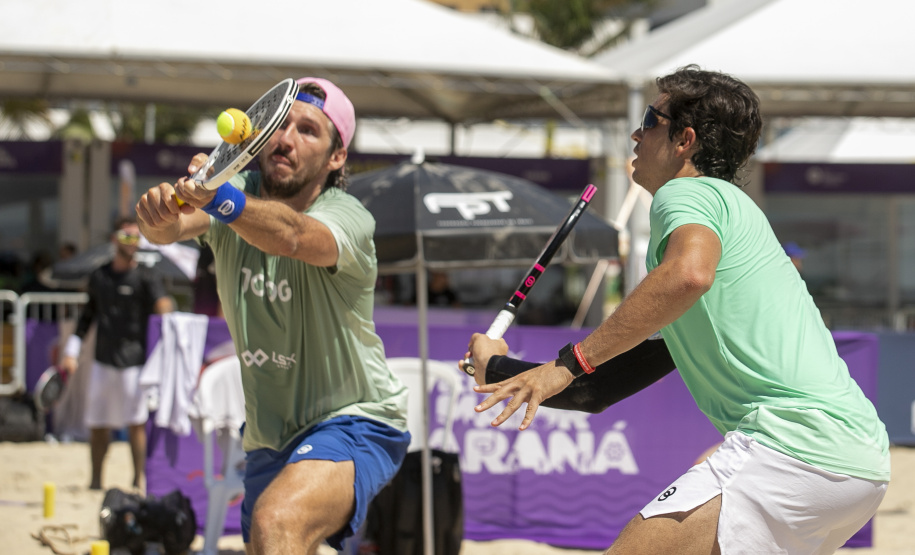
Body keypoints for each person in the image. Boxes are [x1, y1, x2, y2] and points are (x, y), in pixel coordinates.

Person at [464, 65, 890, 554]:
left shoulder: (686, 193)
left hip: (796, 447)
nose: (636, 133)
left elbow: (689, 274)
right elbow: (598, 389)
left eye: (650, 120)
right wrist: (499, 369)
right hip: (858, 465)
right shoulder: (732, 215)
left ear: (685, 141)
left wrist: (565, 364)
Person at [135, 77, 410, 555]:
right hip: (268, 435)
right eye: (280, 124)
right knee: (274, 539)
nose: (286, 138)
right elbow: (174, 227)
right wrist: (156, 217)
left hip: (356, 419)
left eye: (308, 130)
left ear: (336, 157)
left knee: (277, 519)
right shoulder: (234, 192)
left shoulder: (349, 216)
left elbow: (294, 237)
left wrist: (218, 198)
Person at [60, 217, 174, 491]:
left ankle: (137, 480)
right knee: (97, 423)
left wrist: (166, 307)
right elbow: (88, 316)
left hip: (135, 362)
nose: (132, 242)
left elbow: (163, 307)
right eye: (126, 236)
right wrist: (71, 351)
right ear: (114, 239)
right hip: (103, 359)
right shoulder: (100, 276)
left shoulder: (147, 276)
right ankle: (96, 480)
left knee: (136, 423)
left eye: (136, 237)